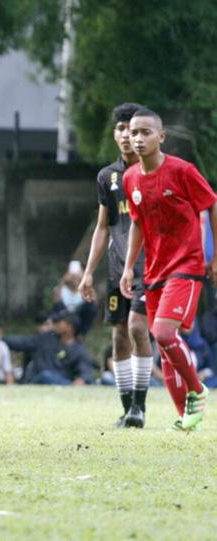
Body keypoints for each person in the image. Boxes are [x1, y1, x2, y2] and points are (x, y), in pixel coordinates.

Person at [120, 107, 217, 431]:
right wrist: (128, 267)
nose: (138, 138)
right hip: (154, 268)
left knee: (162, 332)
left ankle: (197, 390)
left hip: (187, 264)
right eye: (133, 132)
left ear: (161, 137)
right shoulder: (131, 178)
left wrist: (214, 256)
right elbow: (136, 222)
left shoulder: (182, 171)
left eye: (145, 132)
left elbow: (211, 203)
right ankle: (186, 418)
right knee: (164, 343)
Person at [80, 102, 156, 428]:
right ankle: (127, 411)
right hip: (116, 266)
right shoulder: (107, 177)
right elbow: (102, 227)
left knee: (140, 329)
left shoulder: (154, 173)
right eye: (122, 129)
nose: (127, 135)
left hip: (148, 265)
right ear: (115, 135)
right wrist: (87, 273)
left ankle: (140, 407)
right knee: (119, 335)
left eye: (133, 129)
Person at [5, 311, 94, 385]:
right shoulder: (46, 338)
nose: (56, 324)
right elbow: (22, 342)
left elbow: (85, 371)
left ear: (70, 327)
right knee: (45, 376)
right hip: (39, 379)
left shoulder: (79, 350)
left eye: (59, 322)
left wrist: (82, 379)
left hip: (63, 381)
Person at [52, 261, 97, 337]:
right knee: (58, 307)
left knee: (91, 308)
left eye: (76, 277)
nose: (74, 279)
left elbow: (94, 301)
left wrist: (85, 280)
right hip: (64, 314)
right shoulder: (61, 289)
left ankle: (81, 335)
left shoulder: (84, 289)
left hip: (78, 316)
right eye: (72, 277)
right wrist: (63, 281)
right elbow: (56, 302)